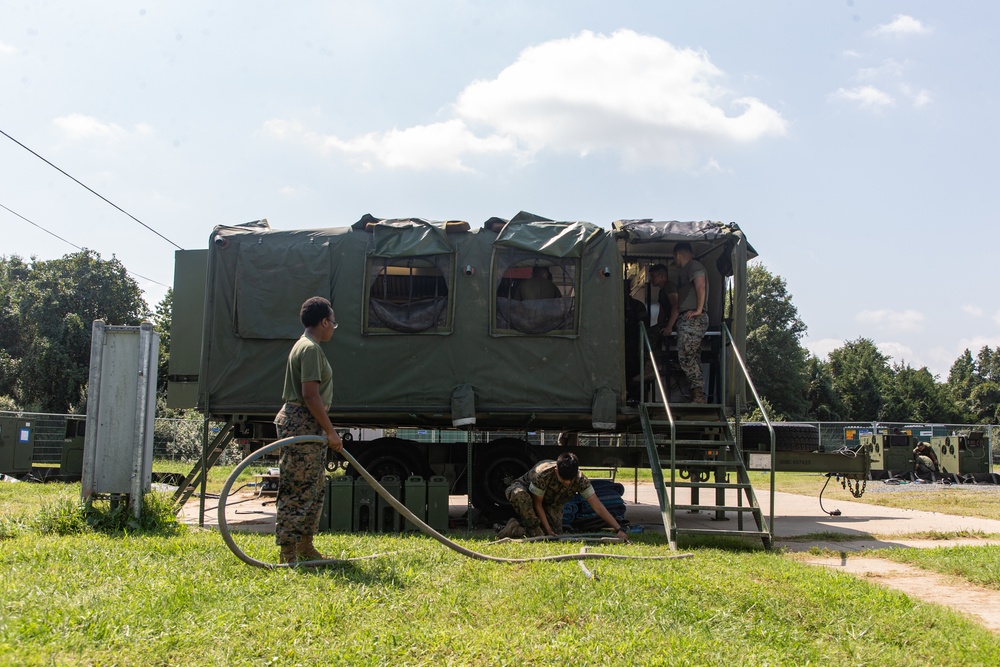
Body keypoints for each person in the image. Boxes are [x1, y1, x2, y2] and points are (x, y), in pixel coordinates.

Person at [273, 296, 344, 564]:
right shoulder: (311, 349)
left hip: (305, 422)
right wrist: (331, 432)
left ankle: (305, 547)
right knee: (299, 488)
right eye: (333, 323)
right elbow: (310, 396)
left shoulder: (305, 346)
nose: (332, 329)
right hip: (302, 421)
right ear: (324, 321)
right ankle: (288, 552)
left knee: (313, 487)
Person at [497, 452, 628, 541]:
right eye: (563, 479)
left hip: (551, 503)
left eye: (570, 480)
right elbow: (536, 504)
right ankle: (522, 530)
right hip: (527, 494)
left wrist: (618, 529)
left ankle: (514, 527)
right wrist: (546, 529)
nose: (567, 483)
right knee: (538, 531)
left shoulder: (580, 479)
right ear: (556, 471)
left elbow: (597, 506)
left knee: (555, 534)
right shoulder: (543, 473)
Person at [671, 242, 709, 403]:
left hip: (694, 318)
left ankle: (698, 392)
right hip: (689, 318)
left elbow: (700, 285)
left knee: (686, 355)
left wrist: (698, 310)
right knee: (692, 356)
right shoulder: (687, 269)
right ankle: (698, 394)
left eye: (674, 257)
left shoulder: (694, 266)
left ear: (678, 254)